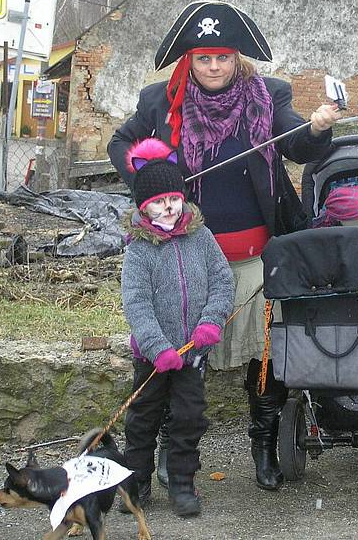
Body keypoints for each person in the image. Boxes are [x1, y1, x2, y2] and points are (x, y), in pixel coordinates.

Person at [108, 1, 342, 492]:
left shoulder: (270, 95)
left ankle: (264, 445)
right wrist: (149, 181)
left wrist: (318, 126)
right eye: (203, 59)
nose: (213, 67)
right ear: (188, 61)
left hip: (258, 255)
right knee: (178, 349)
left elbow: (297, 145)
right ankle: (175, 451)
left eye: (223, 58)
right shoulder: (160, 102)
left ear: (238, 59)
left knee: (266, 354)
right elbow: (121, 144)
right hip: (184, 256)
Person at [120, 137, 235, 517]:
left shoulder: (200, 237)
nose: (168, 207)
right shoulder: (139, 249)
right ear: (144, 207)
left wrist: (209, 323)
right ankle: (136, 483)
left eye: (173, 199)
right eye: (158, 202)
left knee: (188, 418)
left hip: (192, 353)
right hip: (154, 358)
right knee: (142, 421)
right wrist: (157, 348)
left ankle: (183, 483)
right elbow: (136, 303)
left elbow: (222, 281)